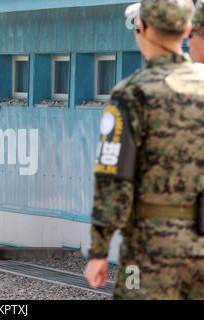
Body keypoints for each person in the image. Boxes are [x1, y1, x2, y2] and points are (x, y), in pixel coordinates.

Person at [84, 0, 204, 299]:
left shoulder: (132, 93)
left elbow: (114, 178)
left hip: (151, 245)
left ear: (143, 29)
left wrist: (99, 250)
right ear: (187, 30)